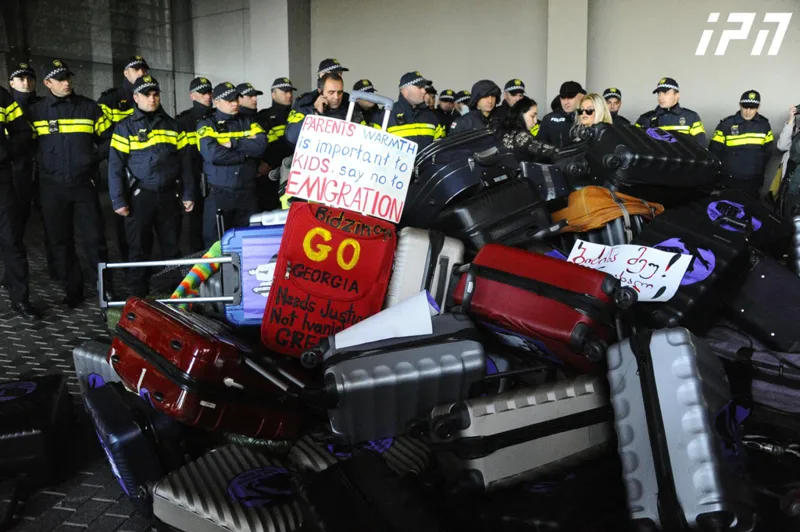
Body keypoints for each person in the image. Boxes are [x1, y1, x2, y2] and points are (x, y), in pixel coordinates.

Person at [28, 59, 113, 308]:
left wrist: (92, 158)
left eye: (68, 78)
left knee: (94, 239)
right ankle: (73, 291)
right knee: (60, 241)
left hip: (83, 185)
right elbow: (28, 144)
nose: (66, 83)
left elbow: (111, 138)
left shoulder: (89, 108)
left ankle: (105, 290)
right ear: (47, 83)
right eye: (60, 79)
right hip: (51, 188)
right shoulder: (37, 112)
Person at [108, 75, 193, 296]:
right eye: (147, 94)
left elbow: (186, 164)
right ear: (136, 97)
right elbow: (115, 167)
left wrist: (188, 193)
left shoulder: (173, 125)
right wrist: (118, 200)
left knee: (172, 248)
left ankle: (173, 297)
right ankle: (138, 296)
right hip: (140, 196)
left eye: (155, 94)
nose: (152, 99)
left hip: (168, 196)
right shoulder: (125, 127)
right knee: (138, 249)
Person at [196, 82, 267, 247]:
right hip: (219, 195)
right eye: (229, 100)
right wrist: (246, 155)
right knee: (216, 246)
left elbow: (261, 145)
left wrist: (233, 143)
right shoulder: (206, 124)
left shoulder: (249, 122)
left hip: (247, 195)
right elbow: (213, 154)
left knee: (251, 244)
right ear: (217, 101)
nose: (235, 103)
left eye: (236, 99)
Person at [7, 62, 57, 281]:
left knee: (53, 225)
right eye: (20, 79)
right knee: (14, 228)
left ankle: (57, 269)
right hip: (17, 174)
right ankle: (11, 274)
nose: (25, 83)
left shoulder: (45, 105)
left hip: (44, 173)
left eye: (29, 78)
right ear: (11, 83)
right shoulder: (7, 106)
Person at [0, 85, 40, 319]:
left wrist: (4, 152)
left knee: (11, 240)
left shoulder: (2, 96)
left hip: (2, 181)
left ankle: (21, 299)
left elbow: (23, 132)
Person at [709, 90, 774, 196]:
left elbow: (768, 152)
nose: (748, 111)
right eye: (745, 107)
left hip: (754, 180)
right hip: (729, 180)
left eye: (752, 108)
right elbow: (714, 151)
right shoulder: (726, 124)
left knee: (752, 209)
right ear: (740, 105)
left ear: (758, 107)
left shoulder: (764, 125)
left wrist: (758, 168)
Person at [176, 76, 214, 252]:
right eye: (202, 93)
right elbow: (184, 159)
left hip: (214, 180)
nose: (207, 96)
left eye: (209, 92)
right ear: (192, 96)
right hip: (193, 180)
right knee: (192, 232)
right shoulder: (184, 121)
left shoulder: (217, 117)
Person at [286, 72, 364, 145]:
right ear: (320, 91)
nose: (336, 97)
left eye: (340, 92)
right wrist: (315, 113)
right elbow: (292, 137)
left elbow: (363, 139)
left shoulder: (350, 109)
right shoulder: (305, 107)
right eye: (331, 92)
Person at [255, 77, 297, 210]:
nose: (289, 95)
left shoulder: (299, 115)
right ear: (273, 94)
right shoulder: (263, 117)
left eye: (290, 91)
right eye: (284, 92)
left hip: (294, 175)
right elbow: (261, 147)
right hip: (269, 176)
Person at [635, 77, 706, 146]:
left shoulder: (691, 117)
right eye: (659, 93)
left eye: (665, 93)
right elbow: (635, 144)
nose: (661, 97)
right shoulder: (645, 118)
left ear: (677, 95)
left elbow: (701, 147)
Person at [383, 71, 444, 149]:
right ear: (405, 90)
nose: (424, 91)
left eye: (424, 87)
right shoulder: (386, 116)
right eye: (420, 87)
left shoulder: (431, 117)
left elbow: (440, 149)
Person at [497, 95, 555, 162]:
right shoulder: (521, 137)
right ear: (521, 115)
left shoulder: (508, 131)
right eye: (532, 116)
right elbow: (544, 150)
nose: (535, 121)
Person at [98, 55, 149, 124]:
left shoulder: (151, 98)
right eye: (136, 69)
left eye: (144, 70)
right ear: (126, 73)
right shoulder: (109, 100)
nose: (141, 73)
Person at [536, 80, 585, 148]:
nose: (566, 102)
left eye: (570, 97)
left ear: (580, 97)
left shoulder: (588, 116)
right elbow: (540, 146)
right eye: (563, 98)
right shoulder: (548, 119)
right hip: (555, 158)